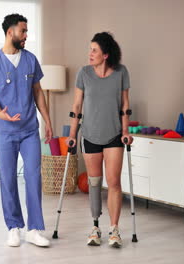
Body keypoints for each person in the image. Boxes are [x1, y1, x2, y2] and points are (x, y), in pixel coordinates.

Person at [0, 13, 53, 247]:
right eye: (23, 31)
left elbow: (37, 92)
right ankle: (14, 227)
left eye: (26, 31)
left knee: (33, 177)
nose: (26, 35)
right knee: (8, 179)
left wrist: (48, 121)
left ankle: (34, 229)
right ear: (10, 32)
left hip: (30, 131)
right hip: (5, 131)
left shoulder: (30, 60)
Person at [67, 32, 133, 248]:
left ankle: (114, 229)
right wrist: (72, 134)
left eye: (94, 50)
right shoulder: (84, 73)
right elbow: (77, 106)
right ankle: (95, 227)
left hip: (114, 135)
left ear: (106, 54)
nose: (90, 54)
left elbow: (125, 105)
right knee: (94, 184)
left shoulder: (121, 72)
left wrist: (125, 131)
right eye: (90, 49)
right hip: (90, 135)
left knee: (113, 183)